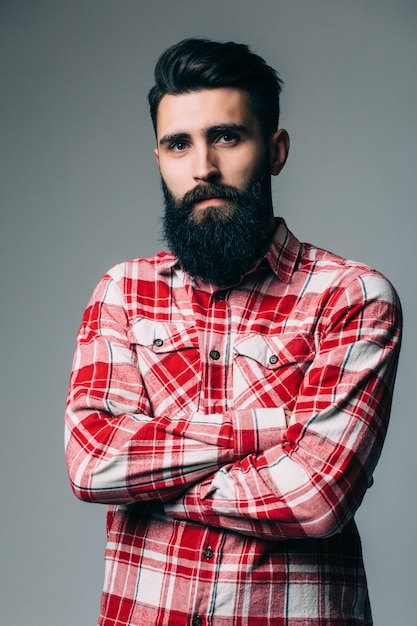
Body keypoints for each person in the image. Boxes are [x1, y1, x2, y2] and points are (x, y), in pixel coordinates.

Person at [65, 38, 402, 626]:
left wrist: (151, 485)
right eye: (179, 144)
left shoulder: (352, 297)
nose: (203, 169)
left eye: (227, 137)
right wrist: (273, 433)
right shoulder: (122, 291)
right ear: (160, 160)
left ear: (276, 150)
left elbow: (315, 497)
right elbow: (93, 462)